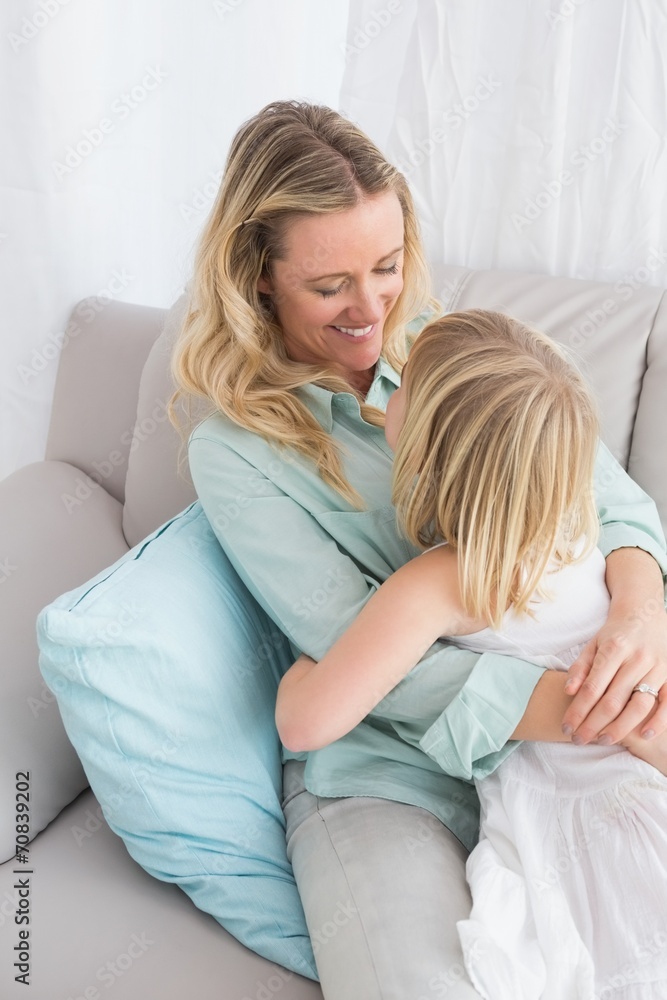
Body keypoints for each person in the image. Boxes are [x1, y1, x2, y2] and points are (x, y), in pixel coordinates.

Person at [169, 100, 667, 1000]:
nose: (373, 312)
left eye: (389, 267)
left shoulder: (452, 350)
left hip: (588, 741)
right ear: (258, 278)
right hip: (395, 765)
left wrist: (640, 614)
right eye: (330, 287)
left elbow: (611, 501)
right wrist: (602, 713)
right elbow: (364, 664)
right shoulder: (238, 452)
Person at [275, 309, 667, 997]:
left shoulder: (440, 580)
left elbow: (306, 724)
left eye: (401, 388)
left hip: (588, 821)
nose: (385, 391)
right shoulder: (578, 522)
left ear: (425, 449)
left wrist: (303, 668)